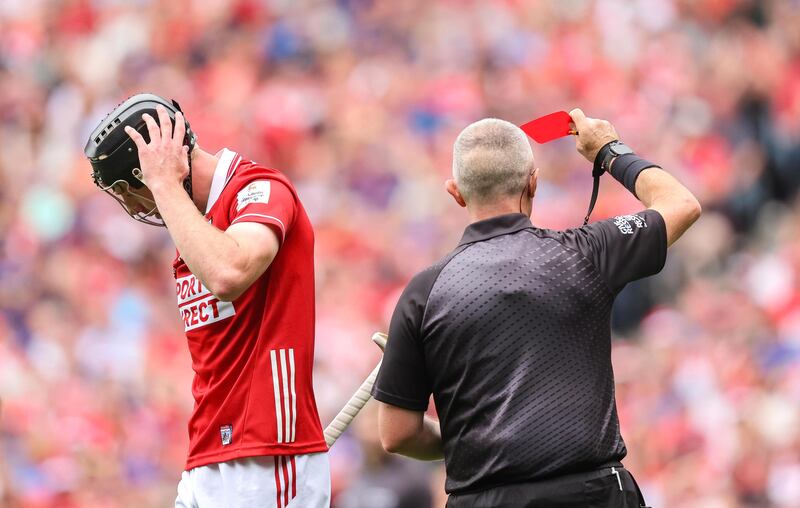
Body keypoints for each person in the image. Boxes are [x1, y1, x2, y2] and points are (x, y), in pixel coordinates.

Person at [371, 109, 701, 507]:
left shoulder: (424, 294)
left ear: (455, 192)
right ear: (533, 182)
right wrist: (608, 151)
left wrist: (474, 435)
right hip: (594, 493)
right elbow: (680, 203)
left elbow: (398, 433)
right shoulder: (584, 253)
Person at [84, 94, 330, 508]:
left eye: (132, 193)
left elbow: (228, 273)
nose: (137, 208)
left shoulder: (259, 189)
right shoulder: (198, 224)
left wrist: (163, 185)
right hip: (209, 454)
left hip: (267, 453)